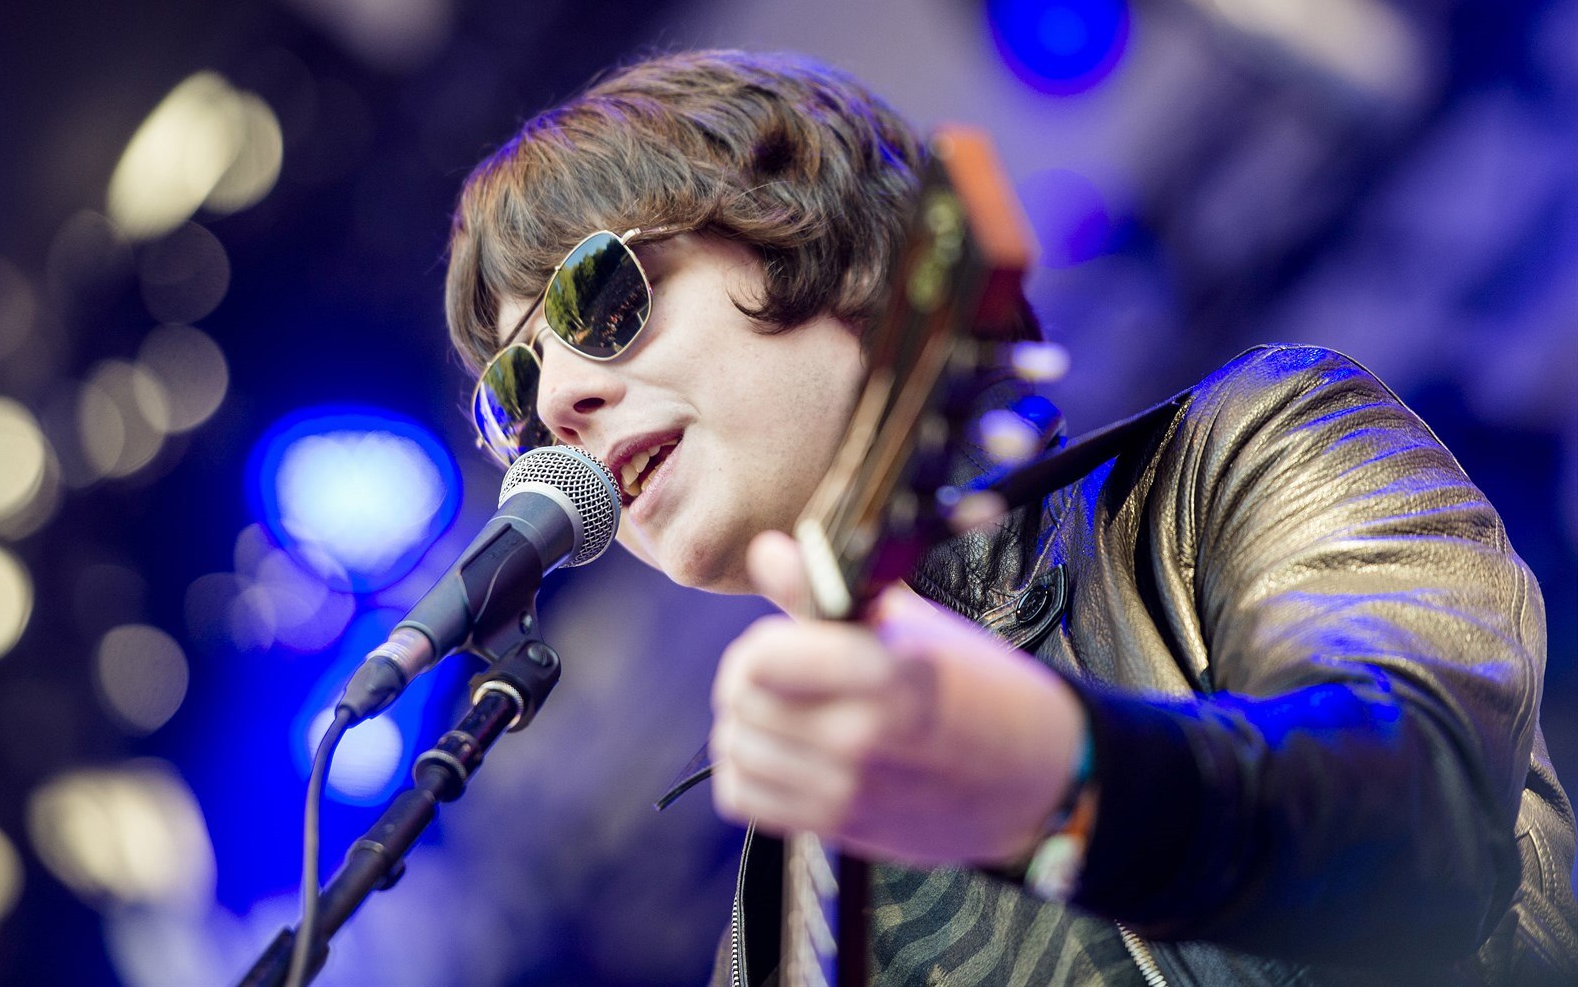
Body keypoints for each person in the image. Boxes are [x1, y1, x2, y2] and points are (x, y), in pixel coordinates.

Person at [442, 50, 1578, 985]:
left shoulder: (1245, 453)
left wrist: (1065, 787)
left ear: (829, 251)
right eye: (513, 391)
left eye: (599, 297)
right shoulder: (767, 937)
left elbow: (1423, 831)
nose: (558, 402)